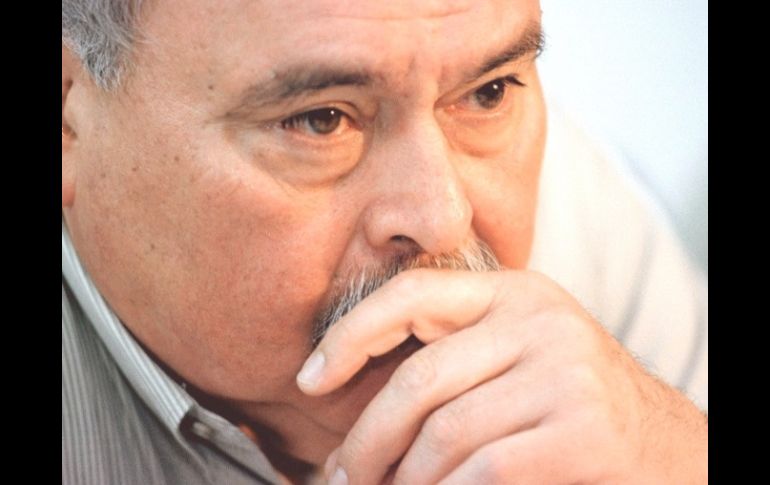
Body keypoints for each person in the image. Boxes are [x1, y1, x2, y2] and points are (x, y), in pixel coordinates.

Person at [61, 0, 708, 483]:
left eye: (486, 93)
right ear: (70, 116)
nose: (444, 218)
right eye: (321, 120)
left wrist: (671, 453)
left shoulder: (581, 215)